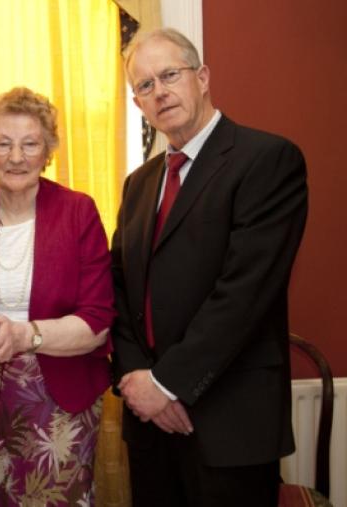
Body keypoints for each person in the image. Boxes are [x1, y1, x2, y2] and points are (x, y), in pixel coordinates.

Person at [111, 28, 308, 506]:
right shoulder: (138, 184)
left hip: (229, 422)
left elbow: (244, 294)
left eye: (169, 75)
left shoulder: (267, 159)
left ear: (201, 78)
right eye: (145, 85)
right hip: (149, 425)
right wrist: (140, 383)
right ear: (138, 104)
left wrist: (166, 384)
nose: (159, 92)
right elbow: (120, 292)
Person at [0, 87, 115, 506]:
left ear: (47, 152)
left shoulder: (78, 211)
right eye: (3, 144)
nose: (16, 157)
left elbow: (97, 321)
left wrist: (25, 335)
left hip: (60, 400)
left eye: (30, 144)